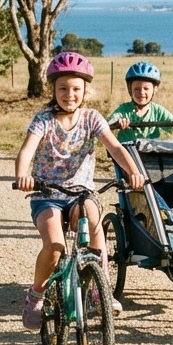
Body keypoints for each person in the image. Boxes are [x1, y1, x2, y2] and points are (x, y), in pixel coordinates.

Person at [14, 51, 147, 329]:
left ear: (85, 89)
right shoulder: (44, 119)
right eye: (63, 88)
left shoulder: (92, 118)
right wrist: (22, 175)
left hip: (80, 192)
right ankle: (36, 294)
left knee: (92, 219)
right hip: (46, 194)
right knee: (55, 245)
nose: (69, 94)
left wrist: (134, 172)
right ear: (53, 89)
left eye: (76, 88)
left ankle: (101, 292)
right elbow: (26, 150)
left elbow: (116, 147)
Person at [106, 61, 173, 142]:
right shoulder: (124, 110)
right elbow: (107, 125)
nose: (141, 93)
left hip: (151, 154)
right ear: (130, 89)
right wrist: (117, 123)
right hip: (125, 154)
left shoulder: (158, 111)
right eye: (136, 89)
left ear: (155, 89)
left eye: (146, 88)